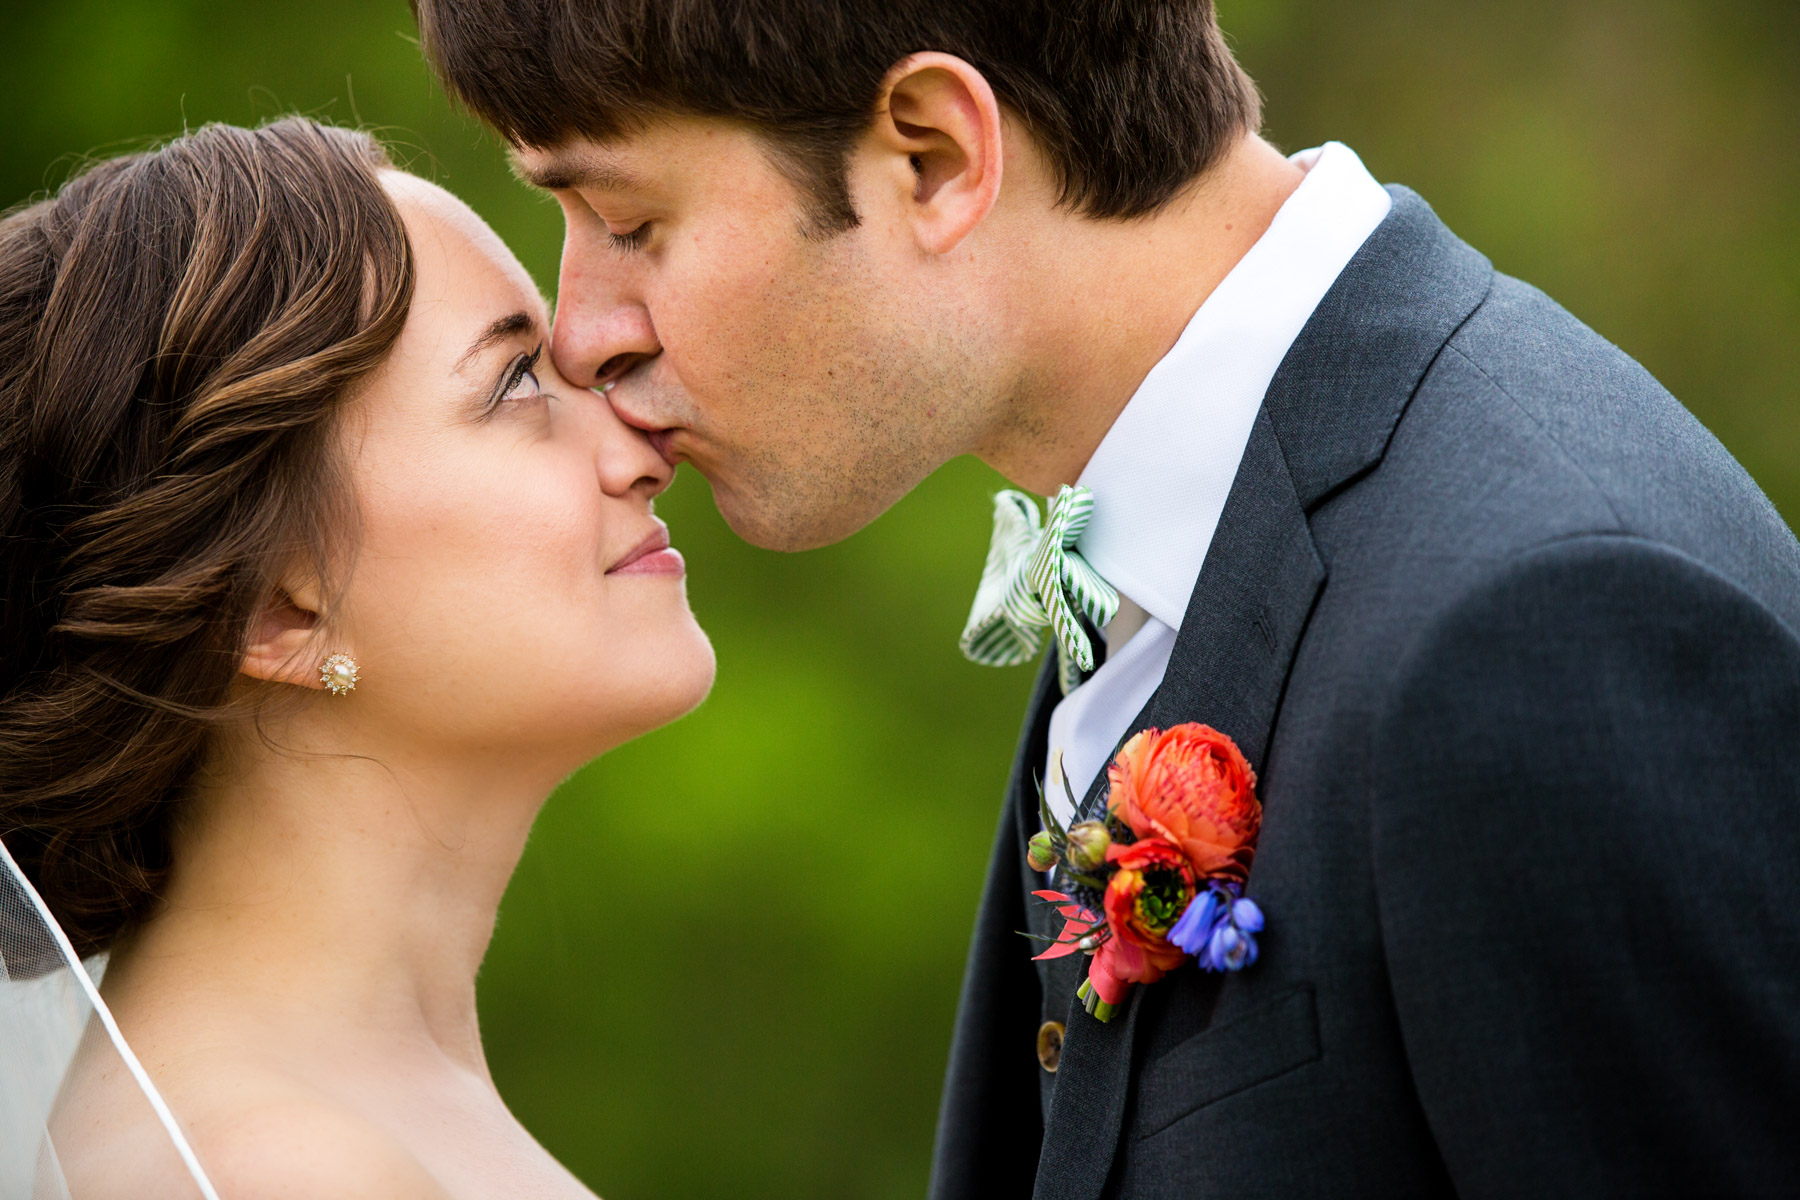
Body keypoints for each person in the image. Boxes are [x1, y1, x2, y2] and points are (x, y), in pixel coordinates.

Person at [414, 0, 1800, 1196]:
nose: (584, 331)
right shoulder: (1175, 538)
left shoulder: (1541, 631)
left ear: (934, 156)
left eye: (626, 220)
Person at [0, 117, 714, 1198]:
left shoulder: (337, 1122)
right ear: (277, 611)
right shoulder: (279, 1170)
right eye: (517, 383)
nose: (641, 446)